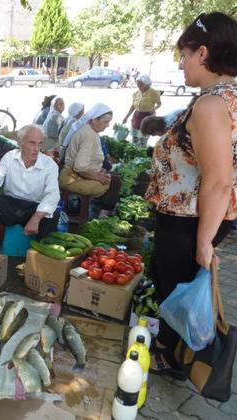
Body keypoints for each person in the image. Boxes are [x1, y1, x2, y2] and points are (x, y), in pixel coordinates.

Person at [145, 12, 237, 379]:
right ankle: (175, 353)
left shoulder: (212, 105)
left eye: (183, 55)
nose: (181, 64)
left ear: (203, 53)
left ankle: (174, 361)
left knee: (178, 293)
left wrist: (203, 242)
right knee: (181, 292)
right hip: (196, 219)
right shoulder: (226, 96)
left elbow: (218, 181)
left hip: (189, 222)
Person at [0, 124, 60, 246]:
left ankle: (42, 255)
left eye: (39, 144)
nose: (36, 148)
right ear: (20, 143)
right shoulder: (9, 157)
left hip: (33, 208)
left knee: (52, 215)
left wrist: (36, 218)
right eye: (32, 143)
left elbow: (52, 194)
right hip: (10, 205)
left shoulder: (49, 165)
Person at [59, 103, 121, 213]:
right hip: (71, 178)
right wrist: (98, 176)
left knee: (114, 177)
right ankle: (102, 216)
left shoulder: (89, 130)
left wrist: (98, 170)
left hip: (72, 174)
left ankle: (101, 213)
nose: (107, 125)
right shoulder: (88, 135)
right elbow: (80, 167)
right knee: (114, 182)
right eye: (105, 122)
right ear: (94, 120)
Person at [122, 73, 162, 147]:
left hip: (147, 117)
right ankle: (134, 152)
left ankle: (141, 152)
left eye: (141, 85)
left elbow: (159, 104)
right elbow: (133, 106)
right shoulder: (136, 93)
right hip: (137, 117)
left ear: (147, 84)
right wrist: (126, 117)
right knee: (135, 138)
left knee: (143, 139)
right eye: (138, 85)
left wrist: (154, 108)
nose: (139, 87)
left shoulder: (154, 92)